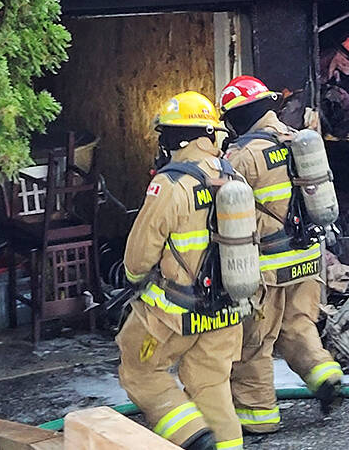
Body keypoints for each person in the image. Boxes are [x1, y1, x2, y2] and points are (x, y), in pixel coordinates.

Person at [117, 91, 245, 450]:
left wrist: (131, 279)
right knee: (212, 385)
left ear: (177, 138)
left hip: (172, 312)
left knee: (139, 370)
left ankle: (192, 437)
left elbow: (141, 251)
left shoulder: (170, 184)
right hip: (226, 309)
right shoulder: (232, 176)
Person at [219, 75, 343, 435]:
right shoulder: (298, 141)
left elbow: (222, 210)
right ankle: (325, 374)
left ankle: (258, 417)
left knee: (255, 342)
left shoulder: (242, 156)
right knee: (299, 326)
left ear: (238, 116)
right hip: (307, 258)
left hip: (267, 267)